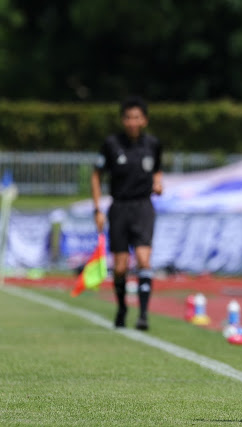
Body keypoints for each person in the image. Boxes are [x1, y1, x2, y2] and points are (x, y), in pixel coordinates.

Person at [91, 96, 163, 331]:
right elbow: (96, 176)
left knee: (143, 259)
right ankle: (122, 307)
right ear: (123, 120)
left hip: (143, 207)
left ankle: (143, 315)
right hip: (119, 207)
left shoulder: (153, 144)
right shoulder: (112, 144)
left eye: (137, 118)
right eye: (128, 118)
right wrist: (97, 209)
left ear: (144, 120)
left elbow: (157, 170)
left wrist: (158, 183)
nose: (133, 122)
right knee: (120, 267)